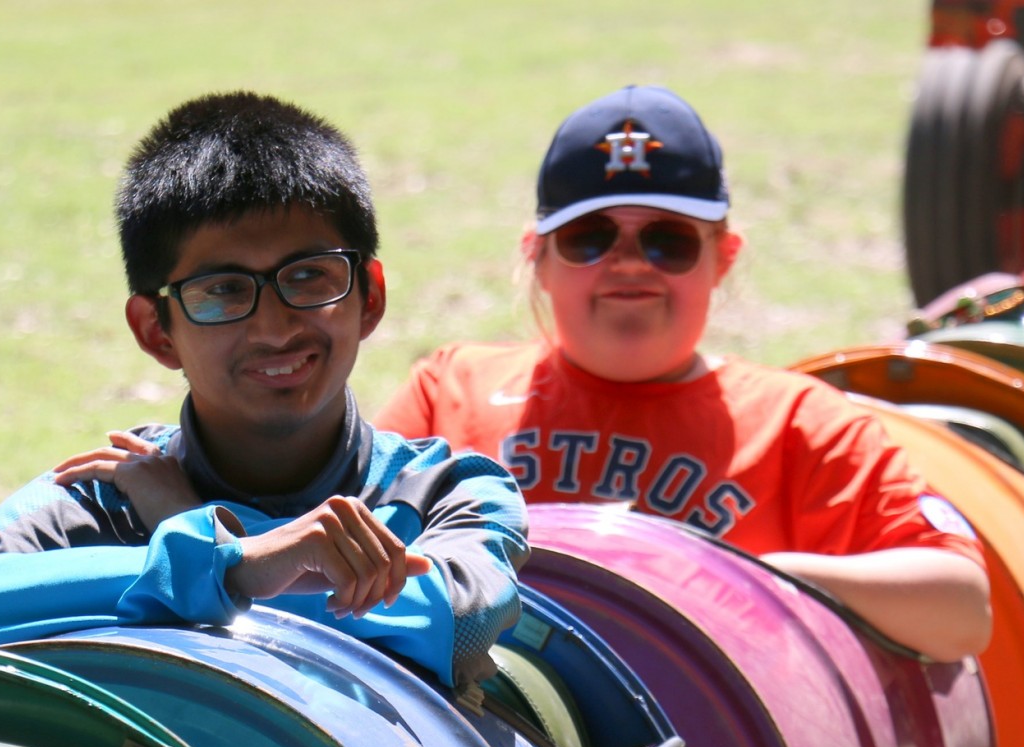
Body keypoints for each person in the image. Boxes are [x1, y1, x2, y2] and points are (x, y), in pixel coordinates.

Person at [0, 92, 529, 689]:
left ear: (371, 297)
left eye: (309, 276)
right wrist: (230, 564)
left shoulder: (445, 492)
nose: (275, 328)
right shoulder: (109, 493)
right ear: (155, 331)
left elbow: (459, 630)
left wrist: (196, 532)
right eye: (222, 291)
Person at [372, 85, 991, 662]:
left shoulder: (800, 425)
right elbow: (341, 561)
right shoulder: (449, 392)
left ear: (723, 258)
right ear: (539, 258)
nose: (629, 264)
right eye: (590, 238)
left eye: (668, 241)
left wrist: (760, 581)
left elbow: (961, 609)